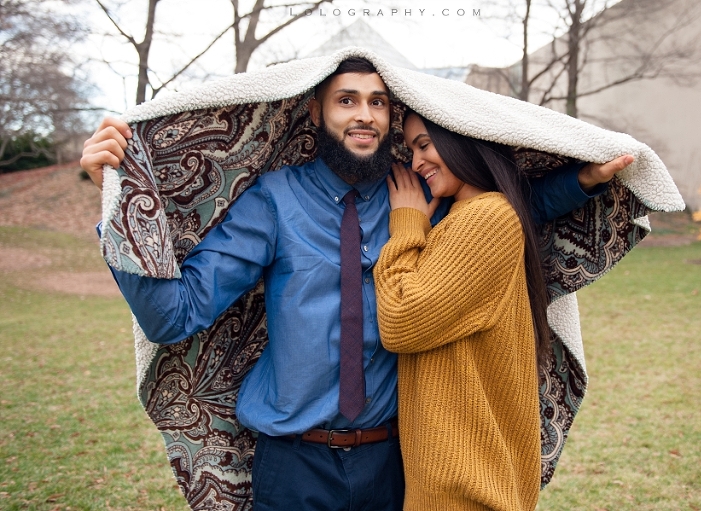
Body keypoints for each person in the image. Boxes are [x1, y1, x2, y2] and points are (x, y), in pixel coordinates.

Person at [80, 57, 633, 511]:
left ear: (393, 118)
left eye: (378, 101)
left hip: (397, 465)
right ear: (316, 111)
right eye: (347, 99)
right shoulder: (273, 200)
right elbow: (173, 315)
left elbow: (500, 216)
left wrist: (579, 181)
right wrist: (122, 209)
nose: (364, 114)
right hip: (293, 465)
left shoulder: (420, 199)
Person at [374, 112, 553, 510]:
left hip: (465, 486)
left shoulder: (487, 217)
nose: (416, 162)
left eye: (424, 145)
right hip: (457, 480)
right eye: (411, 150)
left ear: (464, 140)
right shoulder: (466, 217)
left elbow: (401, 321)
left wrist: (406, 224)